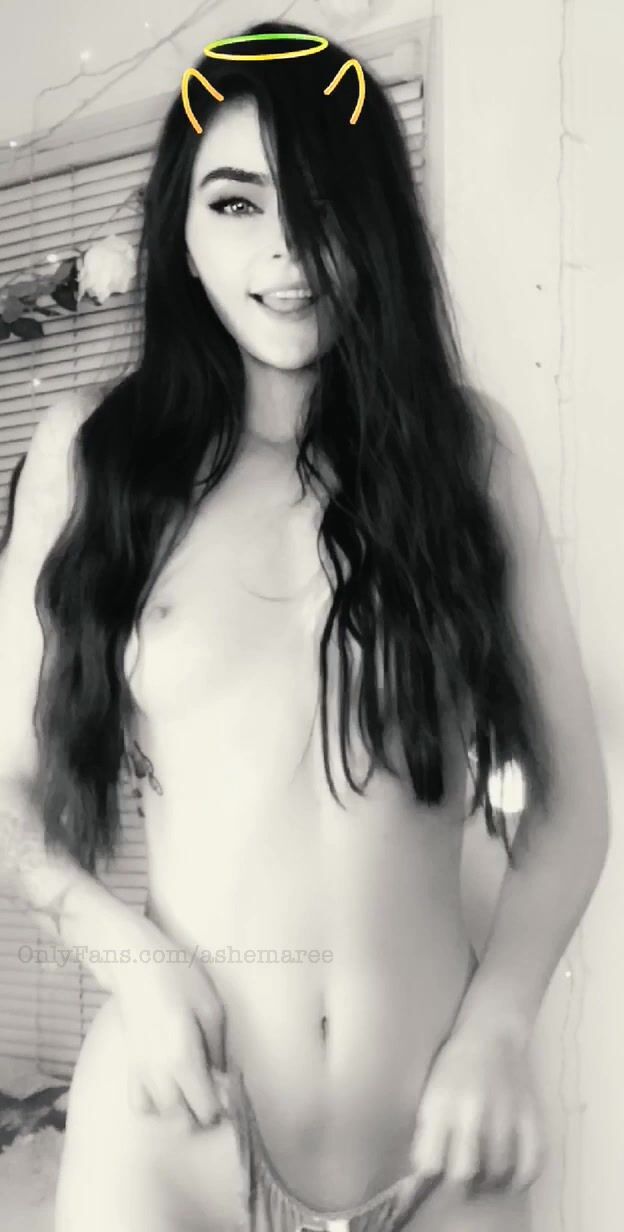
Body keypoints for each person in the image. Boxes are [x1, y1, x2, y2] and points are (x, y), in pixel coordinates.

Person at [0, 18, 609, 1232]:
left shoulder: (468, 455)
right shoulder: (92, 458)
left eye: (326, 203)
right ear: (179, 227)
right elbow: (12, 790)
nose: (288, 250)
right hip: (175, 1133)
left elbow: (571, 804)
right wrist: (129, 955)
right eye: (236, 202)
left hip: (443, 1135)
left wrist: (501, 1021)